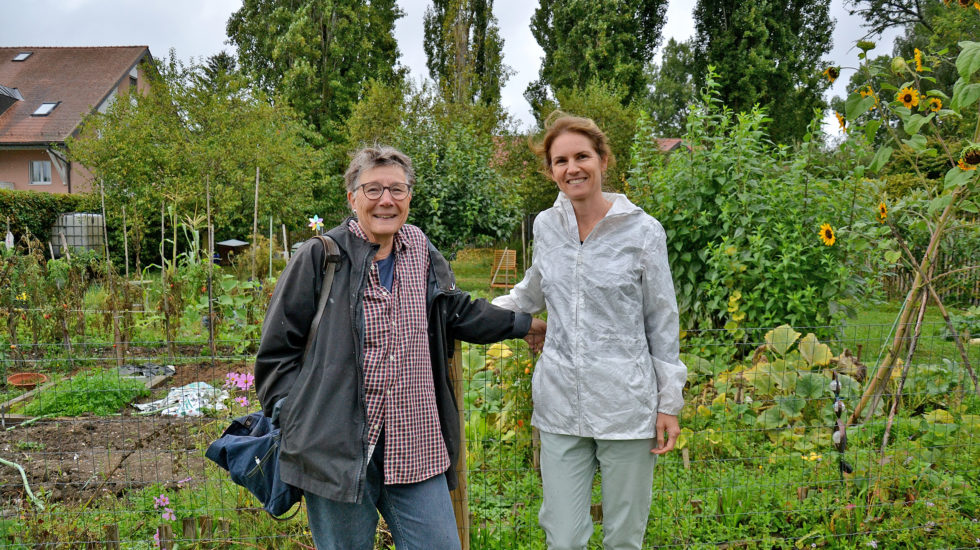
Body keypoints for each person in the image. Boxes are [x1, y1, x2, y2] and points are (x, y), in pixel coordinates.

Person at [255, 145, 546, 550]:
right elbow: (276, 352)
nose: (386, 200)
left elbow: (455, 309)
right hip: (335, 449)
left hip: (415, 442)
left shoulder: (421, 251)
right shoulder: (322, 256)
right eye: (372, 189)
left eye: (397, 189)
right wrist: (296, 418)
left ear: (410, 196)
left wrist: (522, 325)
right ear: (352, 197)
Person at [492, 114, 687, 550]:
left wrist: (668, 403)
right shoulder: (547, 227)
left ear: (603, 160)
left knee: (623, 536)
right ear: (551, 171)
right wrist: (464, 314)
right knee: (562, 537)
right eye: (560, 160)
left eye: (582, 156)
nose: (572, 168)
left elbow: (662, 320)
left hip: (626, 406)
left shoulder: (642, 231)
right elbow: (528, 294)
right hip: (561, 404)